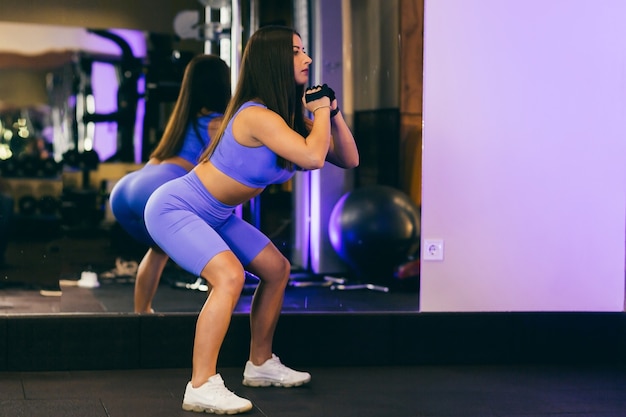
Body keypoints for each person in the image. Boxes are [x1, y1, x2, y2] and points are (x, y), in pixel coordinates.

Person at [144, 25, 359, 414]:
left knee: (276, 269)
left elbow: (348, 158)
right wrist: (322, 110)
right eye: (296, 52)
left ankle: (260, 364)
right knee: (229, 277)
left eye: (304, 50)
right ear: (274, 61)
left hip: (218, 214)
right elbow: (312, 157)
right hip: (178, 207)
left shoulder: (286, 119)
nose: (307, 59)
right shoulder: (256, 116)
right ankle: (201, 384)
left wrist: (334, 113)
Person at [109, 54, 231, 313]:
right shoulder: (219, 124)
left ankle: (142, 314)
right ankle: (218, 318)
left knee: (159, 248)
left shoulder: (180, 120)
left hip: (127, 189)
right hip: (159, 190)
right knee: (216, 251)